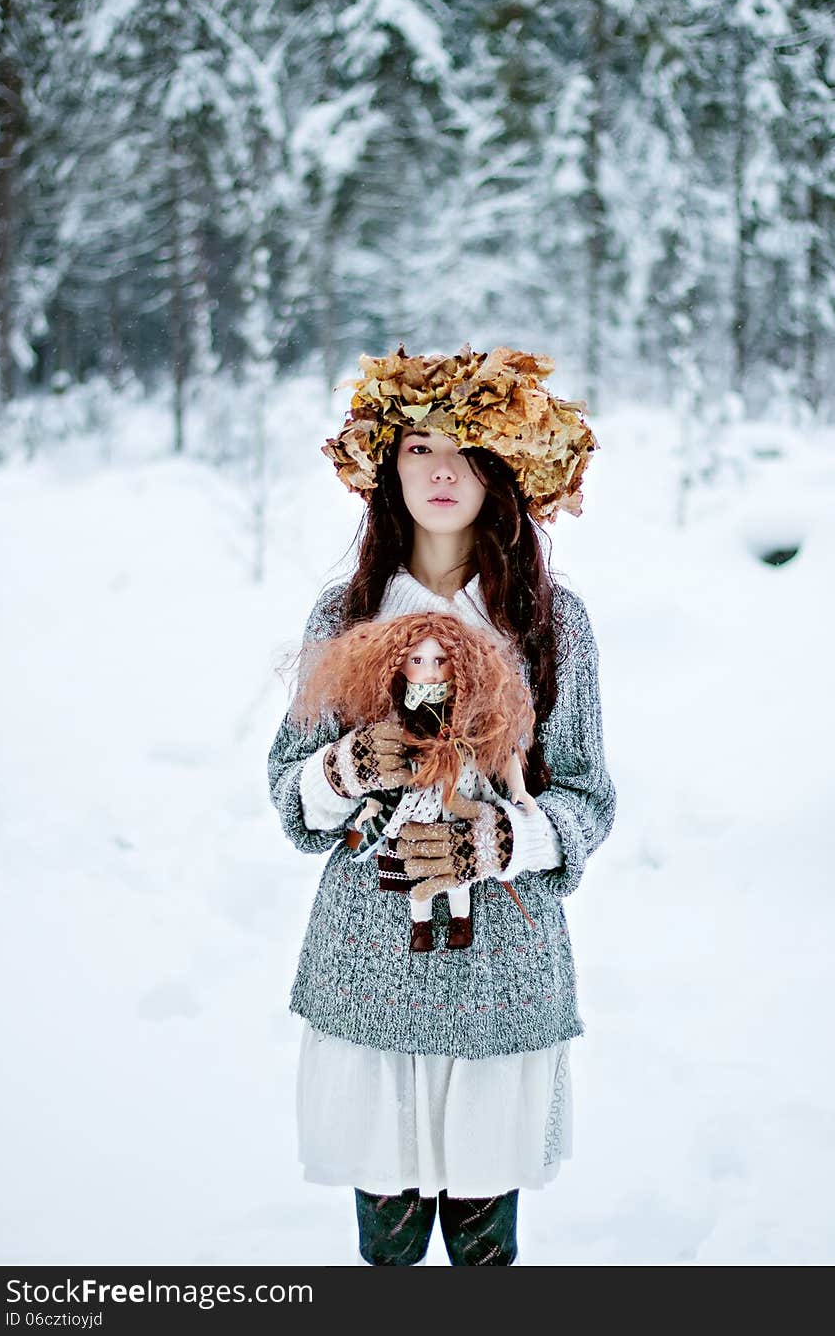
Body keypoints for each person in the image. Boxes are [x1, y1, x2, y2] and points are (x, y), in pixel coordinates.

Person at [267, 343, 617, 1266]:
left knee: (482, 1237)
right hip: (370, 959)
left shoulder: (550, 621)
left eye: (466, 447)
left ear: (502, 468)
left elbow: (587, 796)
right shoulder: (343, 617)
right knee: (385, 1241)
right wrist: (351, 768)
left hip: (501, 969)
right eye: (419, 446)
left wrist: (500, 838)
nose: (442, 469)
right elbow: (290, 793)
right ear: (389, 468)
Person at [289, 611, 540, 953]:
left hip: (463, 790)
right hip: (416, 797)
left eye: (441, 660)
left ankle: (459, 924)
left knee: (459, 866)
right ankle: (421, 927)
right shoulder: (395, 710)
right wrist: (351, 781)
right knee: (417, 866)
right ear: (399, 664)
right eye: (417, 660)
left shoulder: (470, 709)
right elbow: (376, 770)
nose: (431, 671)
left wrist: (523, 821)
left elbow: (507, 747)